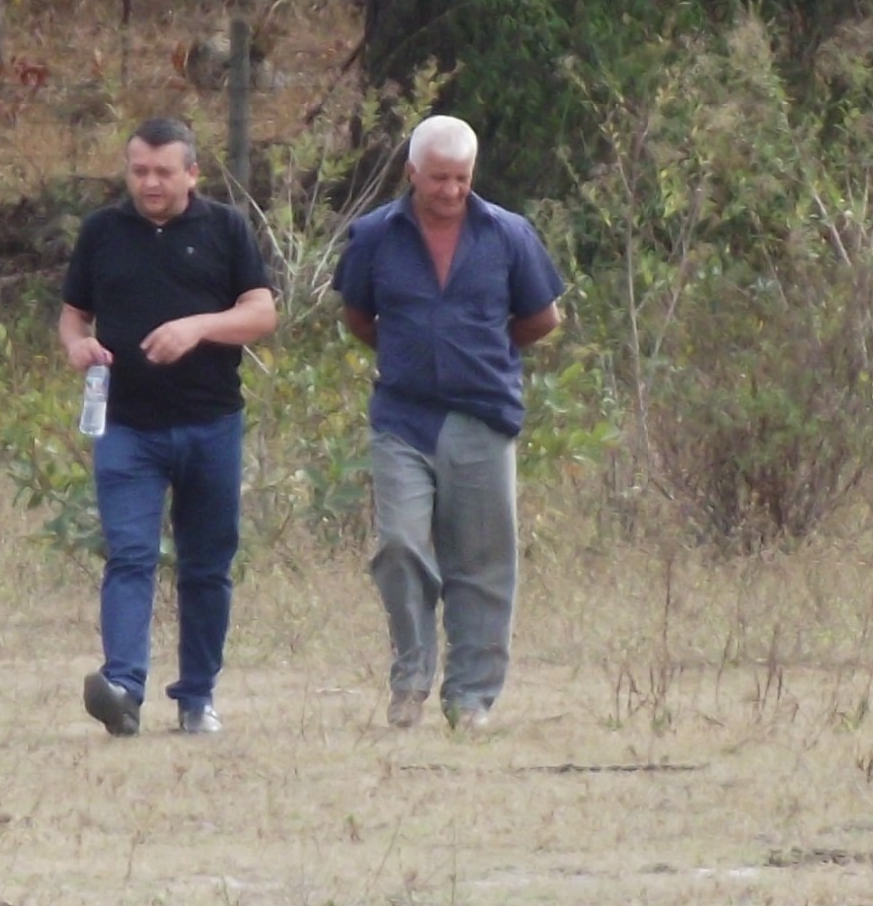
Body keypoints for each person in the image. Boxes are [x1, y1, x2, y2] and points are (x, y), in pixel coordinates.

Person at [333, 114, 564, 730]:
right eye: (438, 178)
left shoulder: (509, 234)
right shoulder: (375, 236)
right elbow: (358, 317)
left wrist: (481, 347)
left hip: (482, 415)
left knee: (483, 564)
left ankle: (471, 699)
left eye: (461, 178)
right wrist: (412, 354)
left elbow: (544, 318)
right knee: (401, 545)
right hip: (402, 418)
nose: (450, 190)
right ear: (411, 173)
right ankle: (410, 679)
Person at [58, 115, 280, 736]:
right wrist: (78, 347)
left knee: (206, 563)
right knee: (130, 555)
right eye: (138, 171)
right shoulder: (103, 232)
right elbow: (74, 315)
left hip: (210, 423)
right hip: (127, 426)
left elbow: (261, 313)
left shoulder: (225, 228)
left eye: (162, 171)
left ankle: (196, 696)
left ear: (192, 173)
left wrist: (198, 327)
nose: (150, 183)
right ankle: (122, 689)